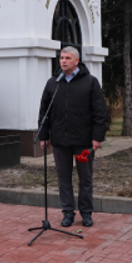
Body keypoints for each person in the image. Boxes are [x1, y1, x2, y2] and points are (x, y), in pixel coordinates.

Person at [38, 46, 107, 228]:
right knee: (63, 177)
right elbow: (44, 110)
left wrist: (97, 137)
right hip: (60, 140)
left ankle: (86, 213)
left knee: (85, 178)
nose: (63, 61)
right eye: (61, 58)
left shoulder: (90, 82)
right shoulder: (53, 82)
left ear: (77, 60)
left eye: (67, 58)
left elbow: (99, 112)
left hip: (83, 139)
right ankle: (68, 212)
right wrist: (44, 135)